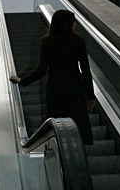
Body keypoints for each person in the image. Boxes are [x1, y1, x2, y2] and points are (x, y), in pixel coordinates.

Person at [10, 9, 95, 145]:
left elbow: (41, 70)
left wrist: (22, 81)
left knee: (58, 130)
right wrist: (90, 97)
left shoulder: (47, 42)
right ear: (67, 24)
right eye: (73, 22)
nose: (75, 25)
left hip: (55, 90)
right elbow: (85, 71)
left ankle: (60, 158)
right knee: (78, 130)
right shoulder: (79, 41)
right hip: (75, 90)